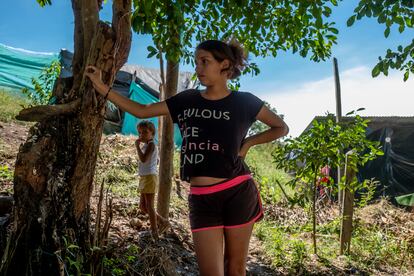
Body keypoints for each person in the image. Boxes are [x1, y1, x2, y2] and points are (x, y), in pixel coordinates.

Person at [85, 39, 288, 276]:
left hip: (238, 191)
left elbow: (280, 128)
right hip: (202, 199)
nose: (198, 68)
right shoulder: (187, 100)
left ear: (225, 65)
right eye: (196, 62)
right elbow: (142, 111)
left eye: (205, 61)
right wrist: (101, 86)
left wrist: (249, 144)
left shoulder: (245, 102)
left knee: (235, 268)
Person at [135, 120, 168, 241]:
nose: (141, 135)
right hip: (145, 177)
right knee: (143, 207)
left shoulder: (151, 145)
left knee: (149, 206)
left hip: (149, 177)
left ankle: (154, 232)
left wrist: (137, 146)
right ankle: (163, 221)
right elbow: (155, 160)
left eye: (144, 132)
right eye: (139, 133)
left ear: (152, 133)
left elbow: (143, 159)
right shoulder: (147, 145)